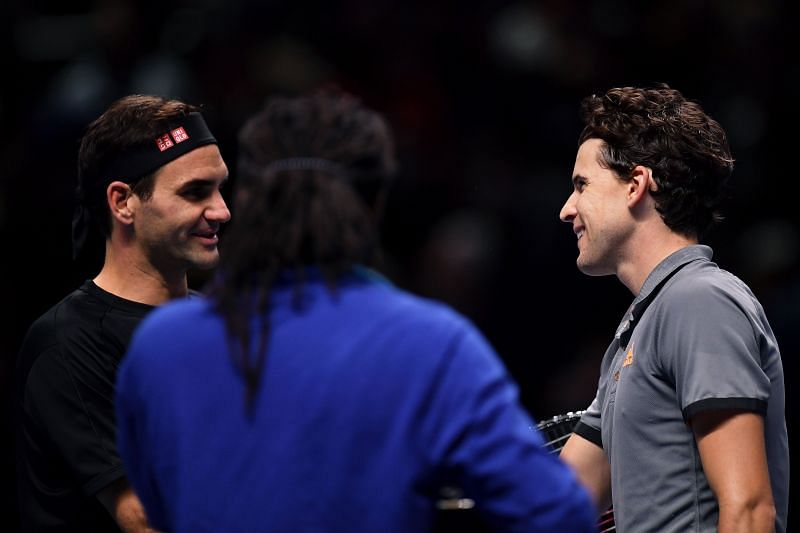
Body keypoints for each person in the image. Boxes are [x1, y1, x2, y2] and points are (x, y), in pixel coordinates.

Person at [114, 89, 597, 532]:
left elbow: (159, 507)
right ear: (374, 207)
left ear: (247, 199)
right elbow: (556, 515)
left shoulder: (160, 346)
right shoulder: (431, 344)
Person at [558, 84, 789, 532]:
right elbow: (559, 501)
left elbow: (749, 510)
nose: (567, 210)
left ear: (636, 185)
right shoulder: (640, 325)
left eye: (582, 185)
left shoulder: (700, 301)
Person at [15, 94, 231, 531]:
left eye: (220, 186)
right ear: (123, 202)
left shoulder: (224, 323)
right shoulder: (66, 341)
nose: (222, 210)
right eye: (194, 192)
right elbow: (145, 519)